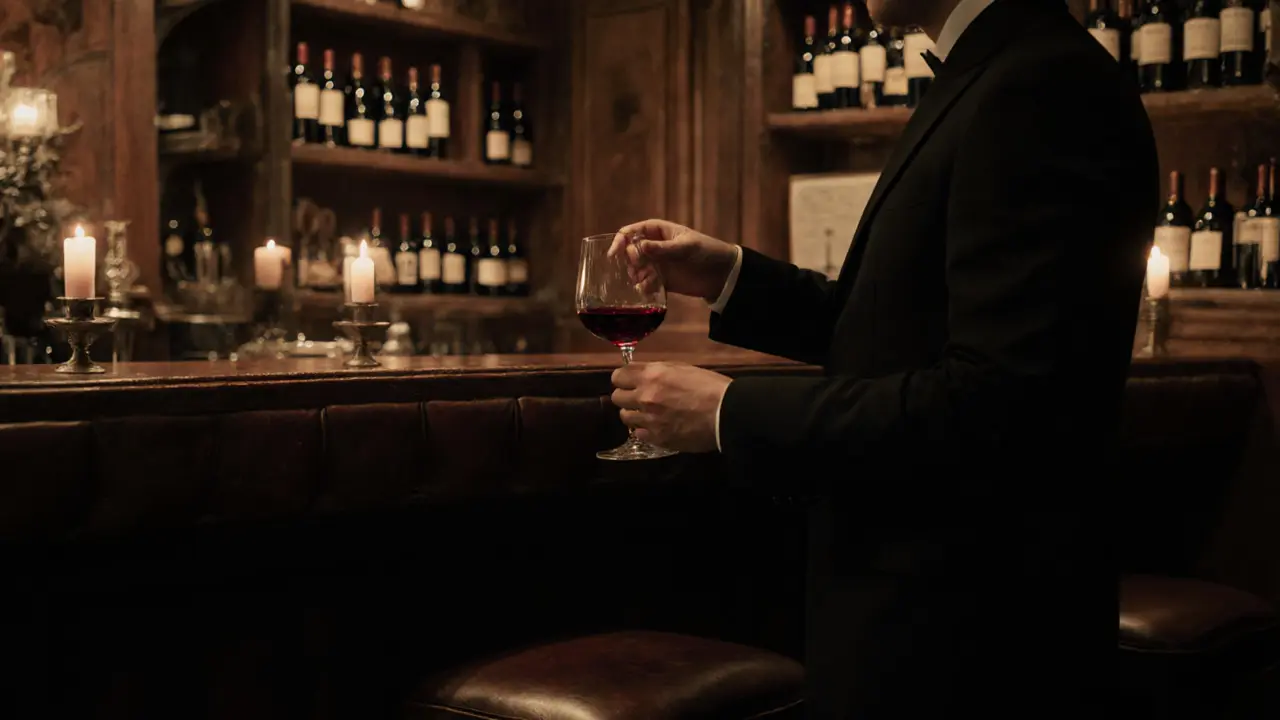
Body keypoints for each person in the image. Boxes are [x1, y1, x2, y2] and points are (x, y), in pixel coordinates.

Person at [608, 0, 1159, 715]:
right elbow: (890, 327)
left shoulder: (1040, 84)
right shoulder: (1006, 70)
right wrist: (730, 274)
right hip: (937, 619)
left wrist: (727, 410)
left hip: (967, 640)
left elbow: (996, 402)